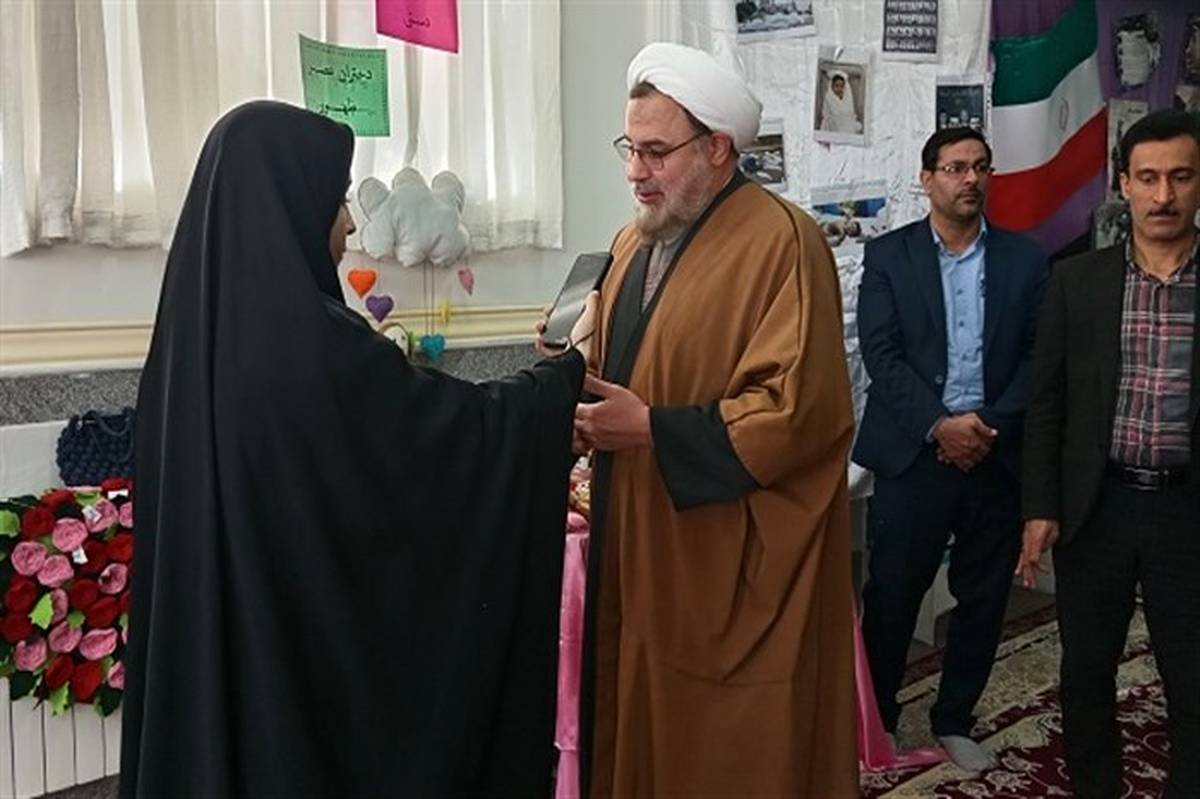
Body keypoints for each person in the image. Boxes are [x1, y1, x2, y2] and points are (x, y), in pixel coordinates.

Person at [120, 101, 587, 798]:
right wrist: (561, 380)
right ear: (293, 204)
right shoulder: (311, 345)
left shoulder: (187, 348)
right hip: (290, 699)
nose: (346, 224)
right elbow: (444, 443)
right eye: (336, 201)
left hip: (219, 672)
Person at [575, 42, 859, 797]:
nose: (636, 171)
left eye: (657, 152)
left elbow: (796, 412)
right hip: (638, 533)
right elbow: (620, 365)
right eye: (630, 148)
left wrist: (651, 430)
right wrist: (579, 400)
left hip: (723, 554)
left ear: (717, 148)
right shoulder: (633, 240)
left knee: (722, 750)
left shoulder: (784, 241)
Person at [854, 127, 1048, 772]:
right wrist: (940, 426)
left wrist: (983, 427)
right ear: (927, 178)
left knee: (983, 596)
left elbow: (1037, 358)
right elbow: (881, 354)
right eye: (956, 167)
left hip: (993, 455)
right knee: (892, 595)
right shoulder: (889, 256)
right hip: (916, 454)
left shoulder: (1026, 260)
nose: (970, 179)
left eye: (981, 167)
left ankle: (955, 718)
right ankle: (878, 721)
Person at [1019, 109, 1200, 799]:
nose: (1163, 196)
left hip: (1188, 512)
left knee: (1192, 679)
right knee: (1086, 673)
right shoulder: (1078, 281)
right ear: (1123, 183)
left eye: (1180, 177)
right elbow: (1047, 403)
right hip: (1098, 509)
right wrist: (1040, 506)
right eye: (1147, 178)